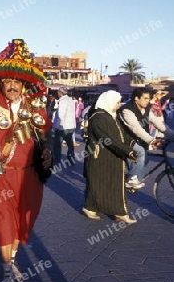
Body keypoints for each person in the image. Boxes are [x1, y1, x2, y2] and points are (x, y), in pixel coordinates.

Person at [0, 39, 52, 282]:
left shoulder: (37, 110)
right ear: (0, 84)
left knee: (21, 222)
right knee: (3, 223)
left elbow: (45, 138)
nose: (12, 86)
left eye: (17, 81)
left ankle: (13, 260)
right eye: (8, 81)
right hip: (1, 175)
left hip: (29, 177)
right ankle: (6, 271)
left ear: (24, 84)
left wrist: (48, 152)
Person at [82, 90, 138, 224]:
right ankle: (91, 208)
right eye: (117, 102)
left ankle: (117, 211)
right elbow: (107, 138)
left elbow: (122, 134)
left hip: (112, 155)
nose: (119, 105)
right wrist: (127, 151)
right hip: (100, 157)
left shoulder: (111, 116)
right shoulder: (98, 117)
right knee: (99, 184)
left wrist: (136, 141)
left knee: (113, 183)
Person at [118, 87, 174, 190]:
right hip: (124, 138)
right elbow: (136, 128)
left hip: (137, 138)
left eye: (149, 98)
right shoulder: (127, 110)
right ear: (136, 98)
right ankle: (132, 180)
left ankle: (132, 178)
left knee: (146, 157)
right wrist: (152, 140)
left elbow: (157, 122)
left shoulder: (146, 109)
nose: (148, 101)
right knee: (140, 152)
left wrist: (171, 135)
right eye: (145, 98)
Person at [52, 87, 76, 165]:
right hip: (71, 125)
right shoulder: (70, 100)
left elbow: (60, 115)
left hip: (63, 126)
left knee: (57, 143)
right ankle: (71, 159)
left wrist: (56, 126)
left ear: (60, 92)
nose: (57, 93)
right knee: (70, 143)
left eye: (58, 91)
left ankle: (57, 159)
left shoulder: (62, 101)